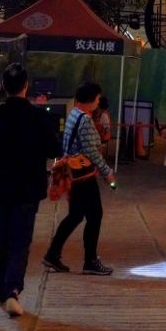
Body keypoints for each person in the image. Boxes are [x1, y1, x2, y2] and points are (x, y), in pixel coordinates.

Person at [0, 62, 61, 320]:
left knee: (2, 239)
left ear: (3, 86)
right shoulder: (39, 117)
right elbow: (55, 150)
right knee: (20, 241)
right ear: (26, 86)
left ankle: (2, 291)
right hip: (28, 190)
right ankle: (12, 290)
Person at [43, 81, 117, 276]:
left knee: (75, 215)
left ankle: (53, 254)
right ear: (91, 100)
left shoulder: (74, 114)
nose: (98, 102)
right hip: (83, 176)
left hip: (73, 175)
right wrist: (107, 172)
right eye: (97, 99)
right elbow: (92, 152)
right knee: (95, 215)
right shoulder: (85, 120)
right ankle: (90, 261)